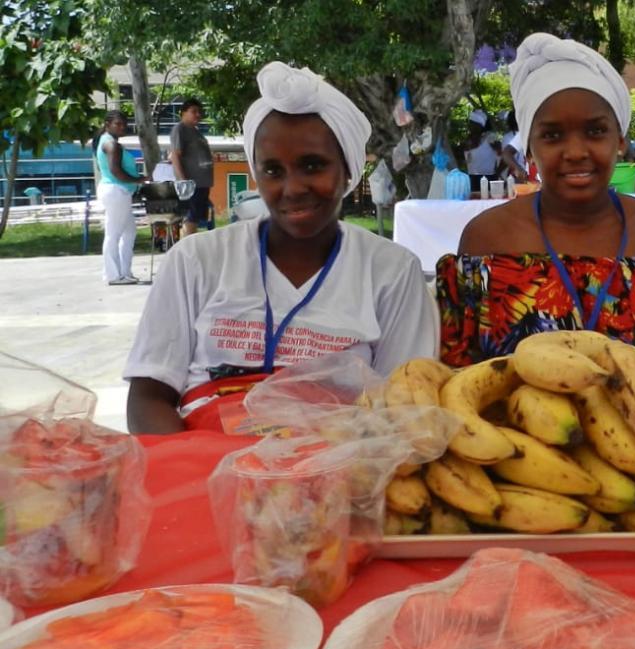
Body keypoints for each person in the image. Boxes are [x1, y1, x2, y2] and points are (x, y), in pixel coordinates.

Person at [124, 62, 440, 434]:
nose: (292, 188)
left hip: (342, 461)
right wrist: (190, 465)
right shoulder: (195, 260)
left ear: (348, 171)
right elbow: (149, 397)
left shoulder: (392, 271)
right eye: (273, 171)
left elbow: (405, 407)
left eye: (313, 166)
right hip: (204, 460)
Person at [435, 33, 635, 367]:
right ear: (529, 149)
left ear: (620, 140)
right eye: (552, 135)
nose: (576, 152)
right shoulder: (487, 238)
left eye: (595, 131)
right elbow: (459, 373)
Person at [95, 110, 145, 285]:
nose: (122, 127)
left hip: (119, 191)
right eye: (118, 124)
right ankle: (113, 275)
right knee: (113, 233)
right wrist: (139, 180)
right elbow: (116, 171)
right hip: (116, 191)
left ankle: (124, 272)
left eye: (124, 124)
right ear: (107, 125)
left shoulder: (110, 142)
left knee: (129, 232)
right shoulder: (111, 144)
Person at [169, 98, 214, 235]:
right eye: (194, 111)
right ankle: (188, 246)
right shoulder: (180, 129)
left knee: (198, 219)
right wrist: (184, 181)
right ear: (183, 113)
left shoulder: (196, 131)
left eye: (199, 112)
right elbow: (175, 155)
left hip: (202, 184)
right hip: (191, 185)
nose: (198, 114)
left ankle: (192, 244)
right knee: (190, 218)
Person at [463, 109, 500, 186]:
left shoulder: (490, 136)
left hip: (488, 177)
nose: (469, 126)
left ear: (479, 125)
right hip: (472, 177)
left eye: (472, 123)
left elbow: (501, 152)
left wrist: (499, 171)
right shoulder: (468, 139)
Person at [498, 109, 529, 182]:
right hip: (525, 174)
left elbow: (505, 158)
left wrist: (498, 171)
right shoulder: (525, 134)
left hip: (515, 174)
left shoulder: (507, 137)